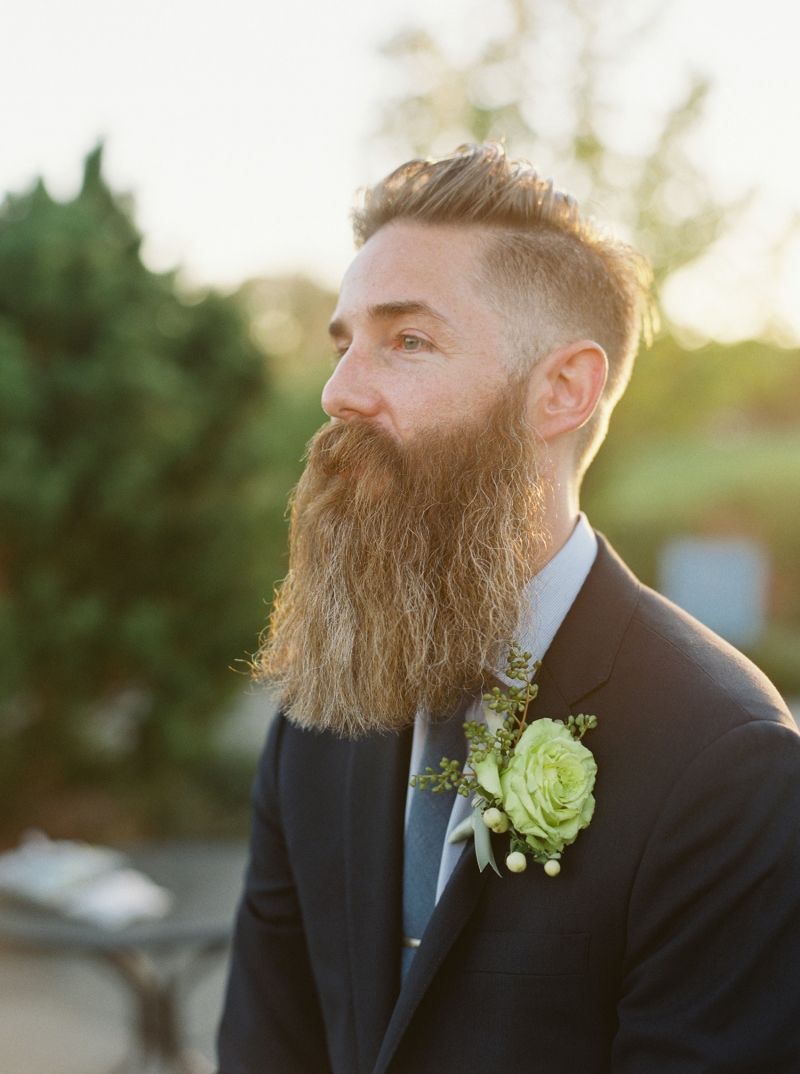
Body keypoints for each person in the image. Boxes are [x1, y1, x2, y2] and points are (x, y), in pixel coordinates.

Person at [216, 144, 800, 1074]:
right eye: (345, 343)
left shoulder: (727, 761)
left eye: (407, 341)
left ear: (562, 390)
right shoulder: (316, 713)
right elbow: (267, 1045)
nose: (339, 393)